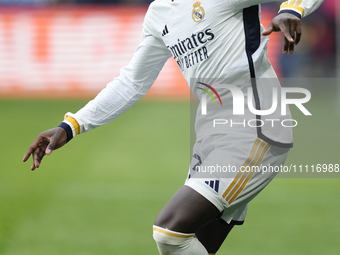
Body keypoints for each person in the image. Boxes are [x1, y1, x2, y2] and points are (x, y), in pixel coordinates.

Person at [23, 0, 323, 254]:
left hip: (255, 125)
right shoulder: (159, 13)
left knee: (169, 232)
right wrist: (71, 125)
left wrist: (293, 9)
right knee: (195, 244)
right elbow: (132, 82)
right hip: (211, 133)